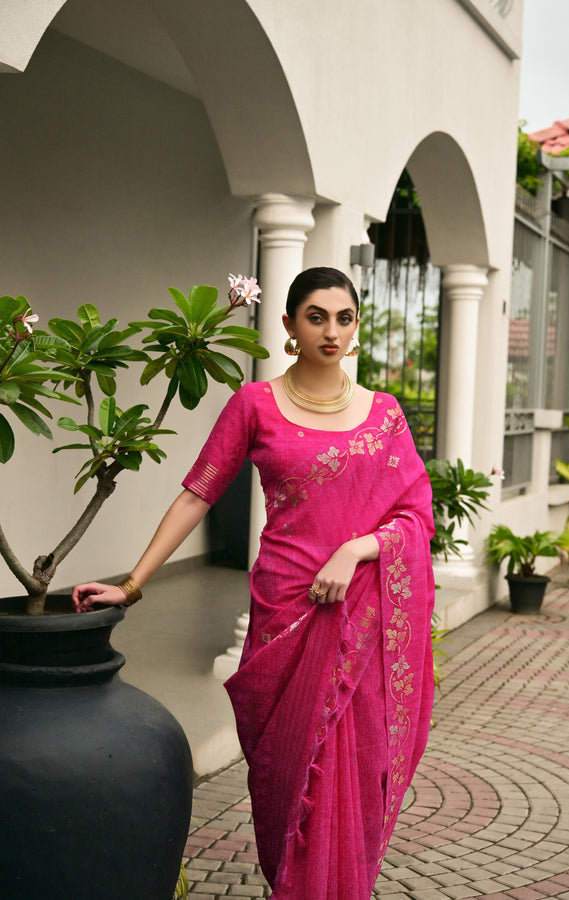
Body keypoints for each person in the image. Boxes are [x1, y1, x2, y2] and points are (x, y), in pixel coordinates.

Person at [73, 266, 436, 900]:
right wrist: (132, 582)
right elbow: (197, 495)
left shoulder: (384, 416)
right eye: (316, 316)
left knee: (349, 768)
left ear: (356, 328)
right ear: (291, 327)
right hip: (285, 608)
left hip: (359, 612)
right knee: (283, 772)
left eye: (344, 318)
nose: (331, 330)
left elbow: (414, 515)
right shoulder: (254, 405)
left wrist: (356, 549)